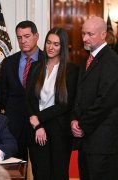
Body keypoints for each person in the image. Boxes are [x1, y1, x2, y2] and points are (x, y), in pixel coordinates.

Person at [26, 27, 78, 180]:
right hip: (37, 130)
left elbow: (65, 103)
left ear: (62, 47)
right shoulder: (35, 67)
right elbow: (29, 98)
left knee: (59, 174)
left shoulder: (72, 70)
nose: (51, 47)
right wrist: (38, 125)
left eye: (56, 44)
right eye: (48, 42)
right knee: (40, 174)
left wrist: (39, 118)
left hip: (59, 131)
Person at [71, 16, 118, 180]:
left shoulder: (112, 61)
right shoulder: (86, 60)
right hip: (86, 142)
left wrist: (82, 125)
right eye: (83, 34)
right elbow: (79, 95)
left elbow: (105, 101)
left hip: (102, 143)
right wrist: (74, 120)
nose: (85, 38)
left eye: (90, 34)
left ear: (103, 34)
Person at [0, 20, 44, 161]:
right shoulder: (8, 62)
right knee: (16, 168)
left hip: (40, 123)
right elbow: (4, 93)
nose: (23, 41)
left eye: (27, 36)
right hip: (14, 124)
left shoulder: (47, 61)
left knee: (41, 167)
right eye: (19, 37)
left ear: (36, 36)